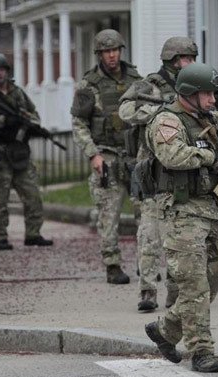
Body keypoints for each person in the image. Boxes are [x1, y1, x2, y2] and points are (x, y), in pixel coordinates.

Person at [144, 63, 218, 373]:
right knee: (193, 284)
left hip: (210, 209)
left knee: (213, 279)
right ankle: (201, 350)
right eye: (208, 92)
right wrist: (208, 156)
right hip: (183, 211)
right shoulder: (168, 120)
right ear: (190, 93)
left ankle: (165, 330)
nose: (212, 98)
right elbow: (172, 156)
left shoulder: (208, 118)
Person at [119, 37, 198, 311]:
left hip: (182, 173)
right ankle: (147, 291)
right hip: (152, 172)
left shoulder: (193, 87)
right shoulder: (148, 84)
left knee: (179, 238)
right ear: (174, 60)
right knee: (149, 235)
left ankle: (175, 293)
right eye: (188, 58)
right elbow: (125, 110)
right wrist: (157, 109)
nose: (191, 63)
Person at [70, 29, 142, 284]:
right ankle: (112, 264)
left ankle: (146, 262)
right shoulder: (88, 85)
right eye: (106, 52)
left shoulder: (136, 79)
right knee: (108, 214)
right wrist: (93, 155)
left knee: (144, 213)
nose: (112, 56)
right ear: (99, 54)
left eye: (115, 50)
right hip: (107, 157)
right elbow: (79, 123)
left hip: (135, 157)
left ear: (121, 51)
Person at [0, 53, 52, 250]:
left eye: (2, 69)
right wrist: (2, 121)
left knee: (32, 195)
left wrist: (27, 122)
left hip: (20, 152)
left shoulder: (18, 93)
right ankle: (0, 237)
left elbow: (34, 115)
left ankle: (33, 233)